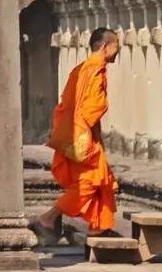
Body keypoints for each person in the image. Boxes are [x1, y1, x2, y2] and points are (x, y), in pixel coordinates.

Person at [32, 28, 121, 241]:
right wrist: (86, 134)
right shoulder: (95, 71)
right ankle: (48, 217)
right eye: (116, 46)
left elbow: (65, 102)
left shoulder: (80, 69)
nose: (118, 51)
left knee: (101, 178)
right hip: (82, 135)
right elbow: (93, 107)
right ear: (105, 47)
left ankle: (98, 227)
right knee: (90, 180)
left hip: (74, 132)